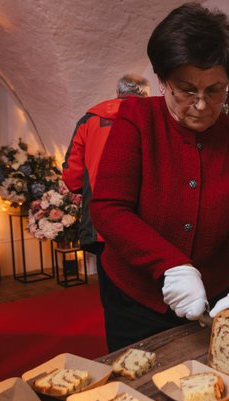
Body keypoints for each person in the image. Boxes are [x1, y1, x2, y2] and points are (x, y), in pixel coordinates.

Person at [90, 2, 229, 352]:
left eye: (215, 90)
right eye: (187, 90)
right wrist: (170, 264)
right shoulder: (135, 121)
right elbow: (109, 208)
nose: (201, 105)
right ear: (162, 82)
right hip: (134, 296)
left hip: (214, 293)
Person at [61, 73, 150, 287]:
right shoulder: (154, 117)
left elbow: (72, 177)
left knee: (110, 286)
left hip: (101, 218)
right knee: (145, 284)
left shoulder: (89, 120)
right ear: (146, 95)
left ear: (118, 93)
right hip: (145, 217)